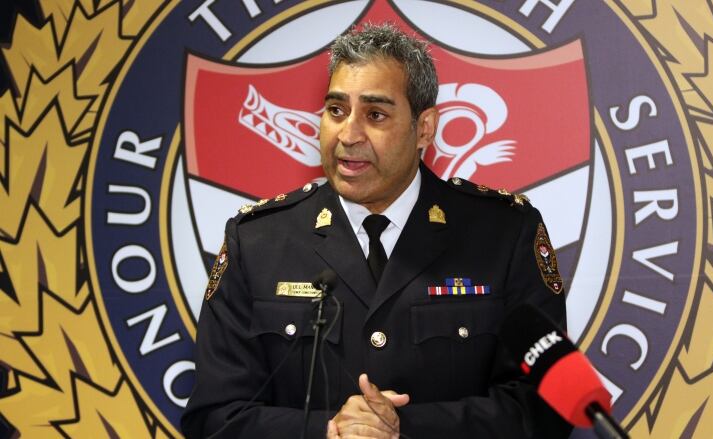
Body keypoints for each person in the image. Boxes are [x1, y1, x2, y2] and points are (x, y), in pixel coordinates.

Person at [181, 23, 571, 439]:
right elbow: (213, 418)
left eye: (375, 114)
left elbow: (545, 408)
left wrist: (404, 429)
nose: (348, 135)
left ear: (424, 129)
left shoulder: (503, 234)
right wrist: (327, 432)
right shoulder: (257, 241)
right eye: (336, 110)